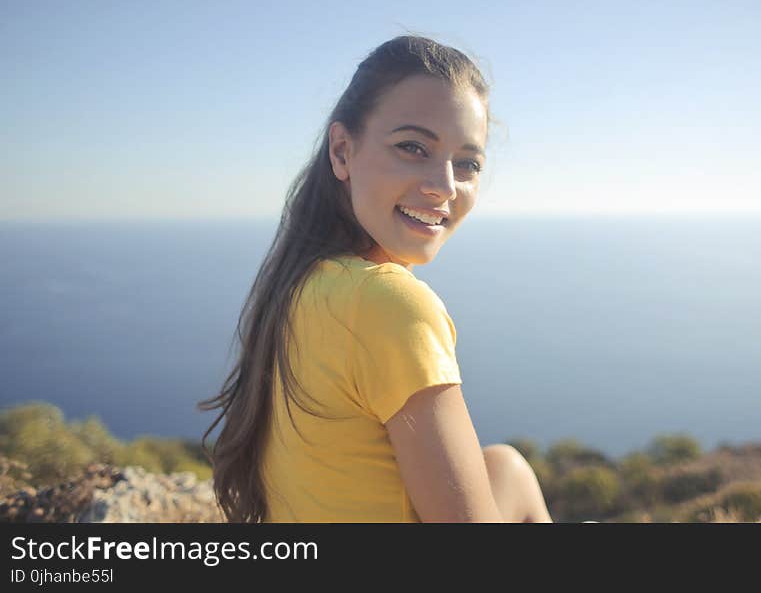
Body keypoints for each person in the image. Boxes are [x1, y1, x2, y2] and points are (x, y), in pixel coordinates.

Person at [199, 35, 553, 523]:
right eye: (413, 147)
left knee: (507, 468)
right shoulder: (390, 303)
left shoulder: (304, 282)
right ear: (342, 151)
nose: (445, 186)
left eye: (467, 163)